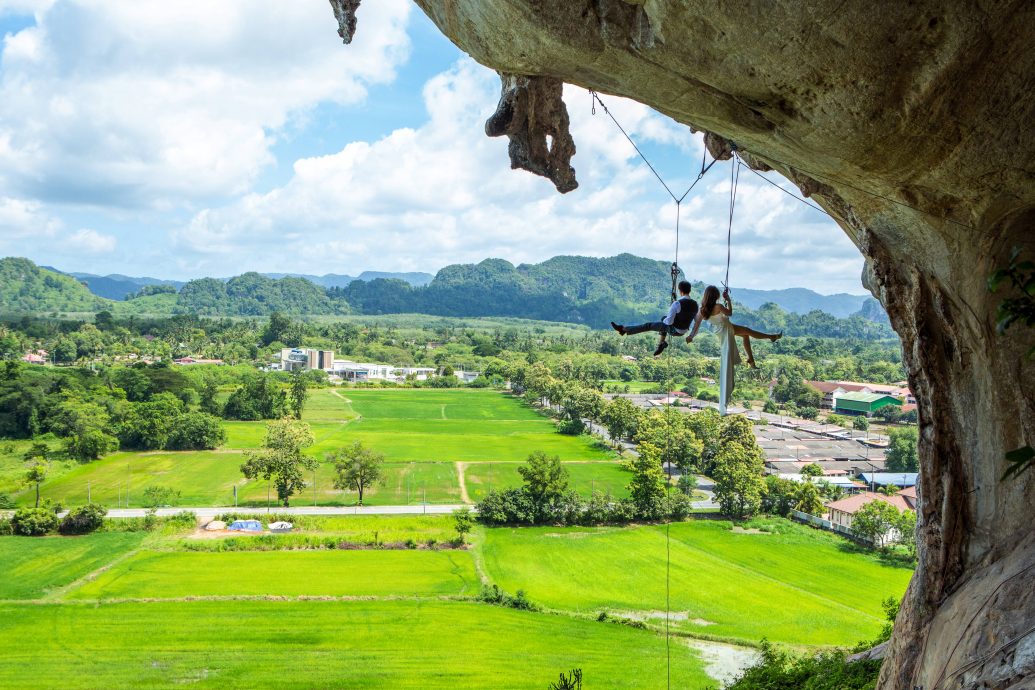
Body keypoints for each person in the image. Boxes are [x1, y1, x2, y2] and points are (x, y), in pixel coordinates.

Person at [685, 285, 782, 369]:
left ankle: (751, 360)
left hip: (720, 330)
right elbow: (730, 313)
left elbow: (696, 325)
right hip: (726, 328)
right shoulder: (718, 306)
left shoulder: (702, 310)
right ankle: (771, 337)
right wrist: (728, 300)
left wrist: (691, 336)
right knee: (748, 331)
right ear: (716, 296)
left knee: (745, 335)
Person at [611, 280, 698, 357]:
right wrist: (691, 336)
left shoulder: (677, 304)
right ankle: (661, 344)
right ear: (689, 290)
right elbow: (695, 321)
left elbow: (668, 322)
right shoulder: (695, 304)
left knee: (649, 325)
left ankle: (623, 329)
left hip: (674, 330)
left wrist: (664, 319)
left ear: (680, 291)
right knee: (663, 322)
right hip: (683, 331)